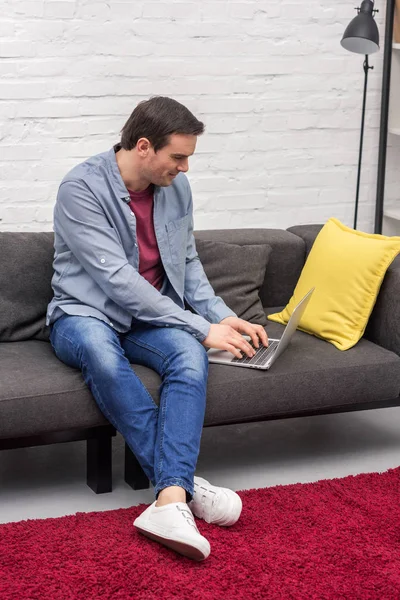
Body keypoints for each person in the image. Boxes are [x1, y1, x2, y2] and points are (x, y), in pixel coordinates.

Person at [47, 96, 269, 561]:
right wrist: (198, 325)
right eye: (179, 157)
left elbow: (187, 263)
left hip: (149, 319)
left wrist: (220, 315)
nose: (185, 168)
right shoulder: (81, 189)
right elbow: (118, 282)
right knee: (104, 357)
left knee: (189, 356)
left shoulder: (175, 190)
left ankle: (169, 497)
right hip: (83, 315)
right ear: (144, 146)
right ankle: (183, 487)